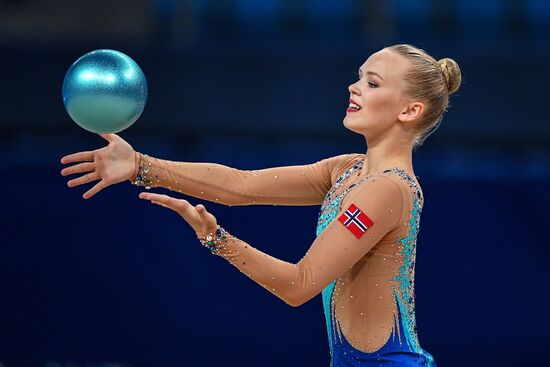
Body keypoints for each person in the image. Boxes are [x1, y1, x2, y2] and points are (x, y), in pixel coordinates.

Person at [60, 44, 461, 366]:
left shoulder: (388, 190)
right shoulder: (348, 170)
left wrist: (216, 239)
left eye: (372, 84)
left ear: (410, 110)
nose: (353, 88)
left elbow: (299, 285)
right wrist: (140, 165)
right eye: (358, 78)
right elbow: (241, 185)